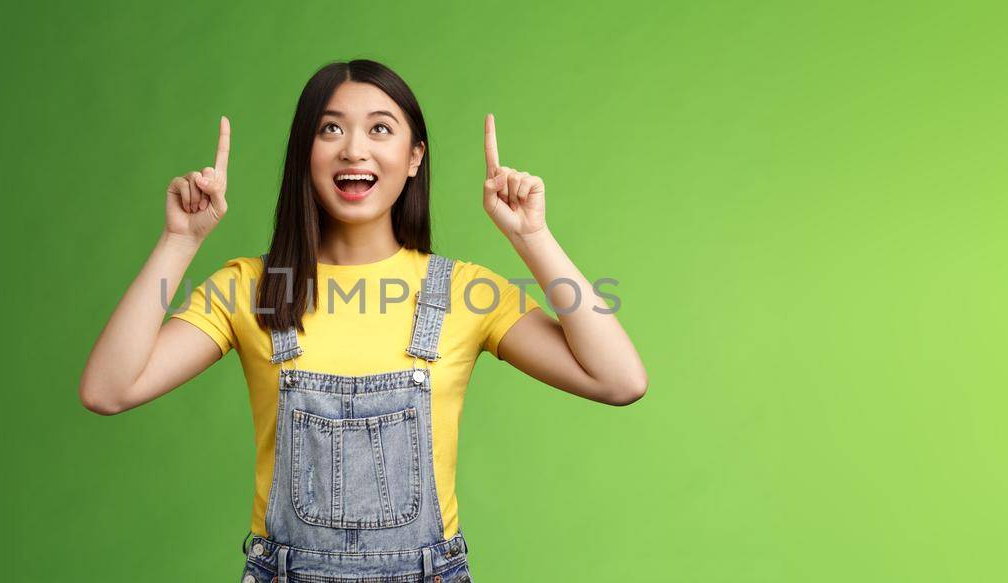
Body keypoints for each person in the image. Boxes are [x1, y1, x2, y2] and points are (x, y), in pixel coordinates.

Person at [80, 59, 647, 582]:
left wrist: (533, 238)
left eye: (380, 129)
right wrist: (180, 240)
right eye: (330, 129)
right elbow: (108, 389)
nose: (354, 149)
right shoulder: (249, 288)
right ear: (306, 152)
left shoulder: (464, 292)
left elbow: (619, 380)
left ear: (415, 156)